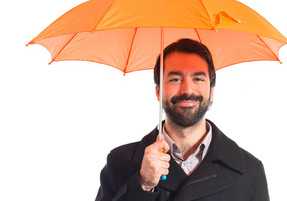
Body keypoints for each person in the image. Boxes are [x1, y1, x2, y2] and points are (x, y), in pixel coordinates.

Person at [95, 38, 270, 201]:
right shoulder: (120, 162)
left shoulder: (249, 170)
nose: (187, 90)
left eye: (198, 79)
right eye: (175, 79)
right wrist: (143, 184)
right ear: (158, 92)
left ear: (211, 91)